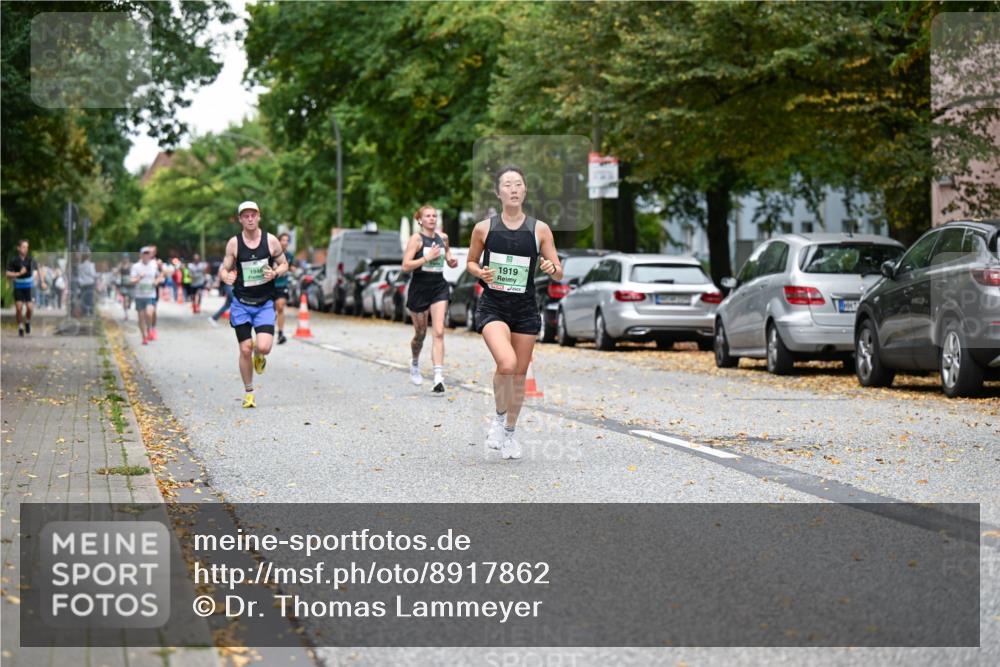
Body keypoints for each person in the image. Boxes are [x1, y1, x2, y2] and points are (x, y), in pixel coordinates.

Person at [466, 166, 562, 460]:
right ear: (498, 192)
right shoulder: (484, 228)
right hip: (493, 304)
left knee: (519, 376)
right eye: (507, 185)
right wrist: (480, 271)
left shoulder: (539, 230)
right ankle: (497, 419)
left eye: (518, 184)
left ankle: (509, 433)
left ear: (525, 191)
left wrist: (550, 267)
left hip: (524, 309)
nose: (513, 189)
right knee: (506, 364)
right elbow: (470, 262)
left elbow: (558, 272)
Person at [218, 201, 288, 408]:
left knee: (264, 347)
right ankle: (249, 392)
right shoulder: (234, 244)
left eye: (253, 215)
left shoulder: (271, 241)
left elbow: (284, 264)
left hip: (265, 302)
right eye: (245, 216)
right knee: (245, 349)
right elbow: (224, 268)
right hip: (241, 303)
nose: (249, 219)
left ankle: (261, 355)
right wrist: (225, 277)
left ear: (259, 217)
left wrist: (275, 272)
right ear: (240, 219)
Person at [401, 205, 458, 392]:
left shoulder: (443, 238)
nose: (432, 219)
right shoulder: (416, 240)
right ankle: (415, 362)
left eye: (434, 216)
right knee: (420, 334)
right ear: (420, 220)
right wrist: (427, 258)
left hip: (439, 287)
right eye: (428, 216)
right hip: (419, 289)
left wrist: (450, 260)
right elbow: (406, 266)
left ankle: (438, 376)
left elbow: (447, 253)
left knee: (439, 331)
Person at [6, 239, 38, 336]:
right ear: (18, 248)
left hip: (29, 286)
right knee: (19, 308)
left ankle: (27, 322)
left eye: (27, 247)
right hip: (18, 286)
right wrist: (18, 273)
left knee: (29, 308)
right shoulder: (13, 260)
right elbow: (7, 274)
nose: (26, 249)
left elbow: (36, 270)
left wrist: (36, 277)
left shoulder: (31, 259)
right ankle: (20, 326)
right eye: (24, 247)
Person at [130, 247, 161, 344]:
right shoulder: (136, 266)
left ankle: (149, 329)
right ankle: (144, 336)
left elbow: (160, 276)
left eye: (148, 253)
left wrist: (156, 281)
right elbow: (131, 280)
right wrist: (139, 277)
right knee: (141, 318)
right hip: (139, 296)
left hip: (150, 295)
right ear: (141, 255)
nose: (146, 255)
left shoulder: (154, 265)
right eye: (144, 253)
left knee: (149, 313)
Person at [272, 233, 294, 344]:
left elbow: (291, 266)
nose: (285, 242)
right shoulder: (272, 253)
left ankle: (280, 333)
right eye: (283, 240)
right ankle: (268, 332)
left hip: (282, 285)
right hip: (271, 285)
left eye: (287, 240)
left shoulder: (290, 255)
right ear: (278, 241)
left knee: (280, 306)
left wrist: (293, 269)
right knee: (270, 311)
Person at [76, 251, 97, 317]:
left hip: (82, 284)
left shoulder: (80, 266)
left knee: (84, 298)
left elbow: (79, 275)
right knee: (90, 298)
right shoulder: (90, 265)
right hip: (90, 283)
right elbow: (93, 274)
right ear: (88, 257)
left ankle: (84, 311)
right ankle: (89, 312)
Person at [117, 254, 133, 319]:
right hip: (123, 284)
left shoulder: (131, 265)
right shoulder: (120, 265)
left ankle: (129, 305)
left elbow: (134, 273)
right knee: (125, 299)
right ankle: (126, 314)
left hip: (131, 284)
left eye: (126, 258)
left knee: (131, 298)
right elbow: (117, 273)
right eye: (124, 258)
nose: (125, 259)